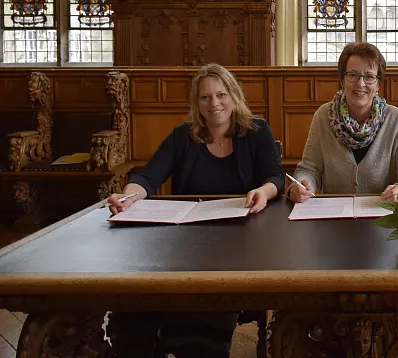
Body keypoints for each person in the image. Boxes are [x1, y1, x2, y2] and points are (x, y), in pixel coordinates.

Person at [106, 63, 283, 358]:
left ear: (234, 96)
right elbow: (148, 178)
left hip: (241, 243)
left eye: (221, 94)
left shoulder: (256, 131)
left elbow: (275, 177)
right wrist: (128, 197)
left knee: (207, 308)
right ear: (197, 103)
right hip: (186, 243)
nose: (214, 103)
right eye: (205, 97)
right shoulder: (183, 136)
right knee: (135, 308)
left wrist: (262, 192)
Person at [289, 42, 398, 202]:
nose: (360, 84)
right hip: (334, 216)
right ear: (342, 80)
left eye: (369, 76)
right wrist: (303, 185)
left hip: (381, 215)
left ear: (378, 83)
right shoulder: (323, 116)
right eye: (353, 75)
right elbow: (309, 169)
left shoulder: (396, 119)